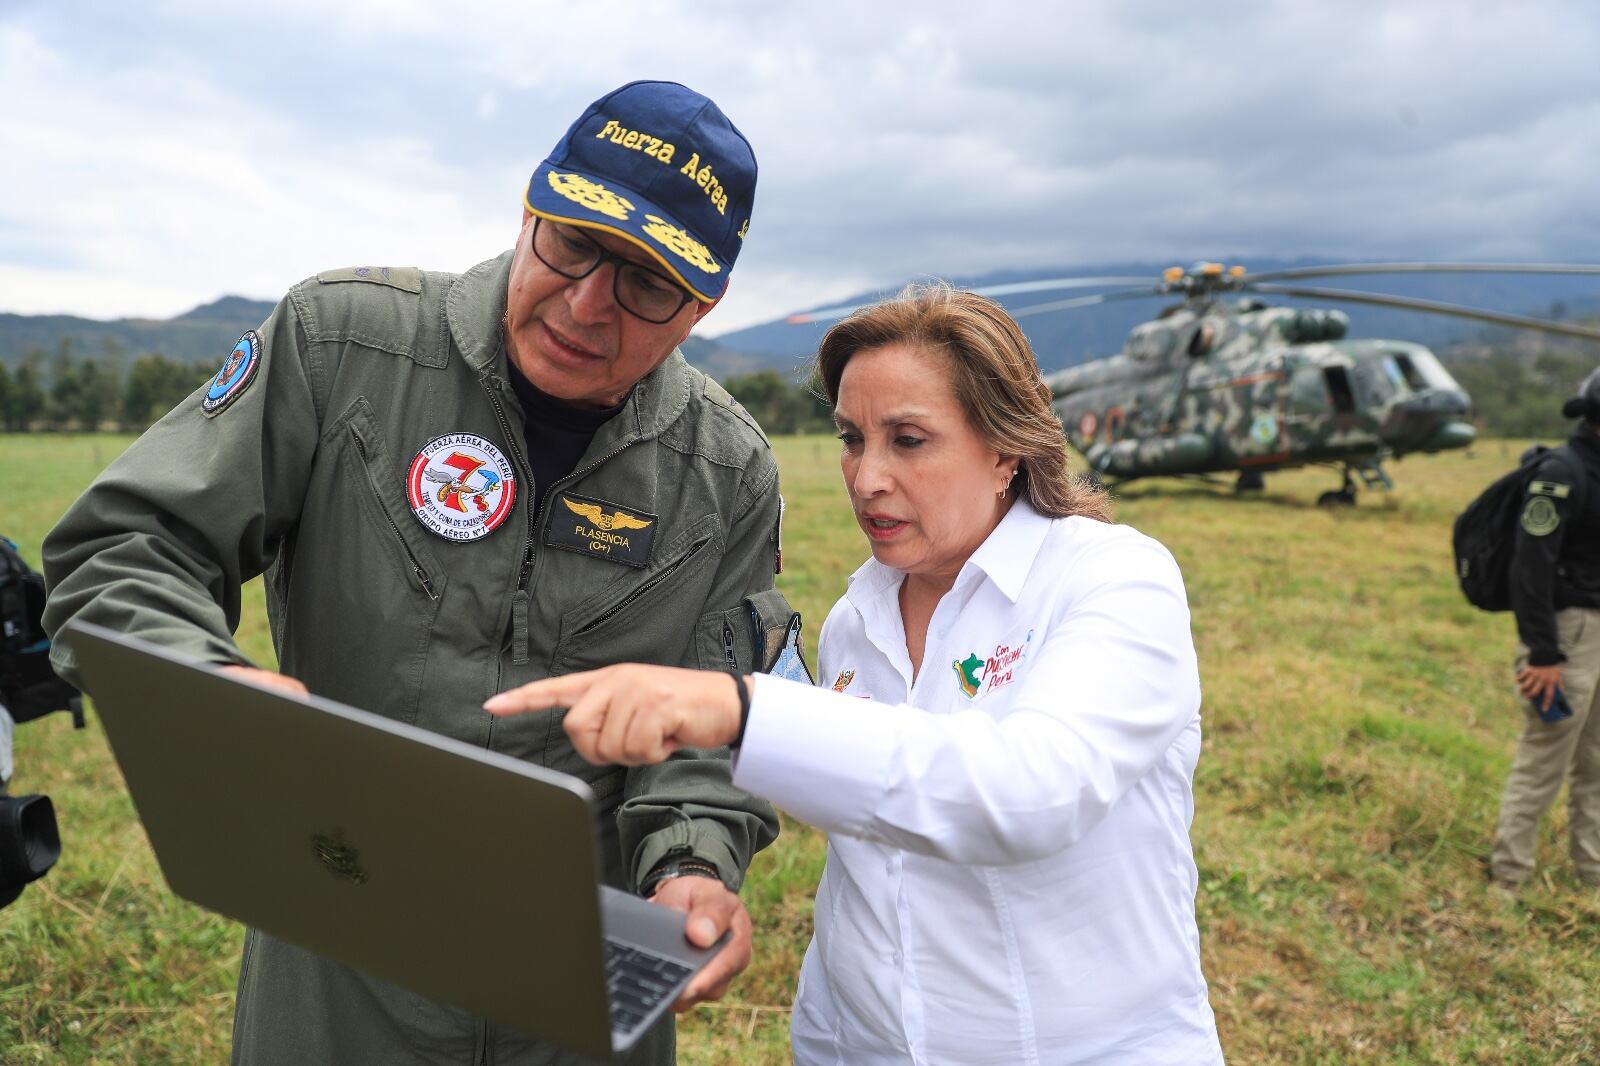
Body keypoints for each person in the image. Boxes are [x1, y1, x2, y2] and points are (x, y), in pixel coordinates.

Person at [43, 80, 789, 1066]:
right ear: (531, 209)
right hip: (341, 959)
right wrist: (212, 686)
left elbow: (713, 710)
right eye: (572, 243)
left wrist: (692, 860)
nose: (586, 303)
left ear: (704, 304)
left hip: (577, 992)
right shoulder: (342, 342)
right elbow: (129, 545)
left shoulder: (726, 469)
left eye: (648, 284)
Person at [488, 286, 1227, 1064]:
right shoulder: (856, 620)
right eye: (851, 438)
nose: (866, 477)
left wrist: (741, 710)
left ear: (1006, 448)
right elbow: (865, 853)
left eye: (908, 440)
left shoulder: (1113, 578)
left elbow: (1030, 792)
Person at [1490, 368, 1600, 892]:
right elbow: (1529, 570)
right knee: (1544, 760)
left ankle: (1592, 873)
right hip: (1568, 637)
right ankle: (1508, 879)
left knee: (1597, 765)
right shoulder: (1563, 473)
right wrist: (1542, 652)